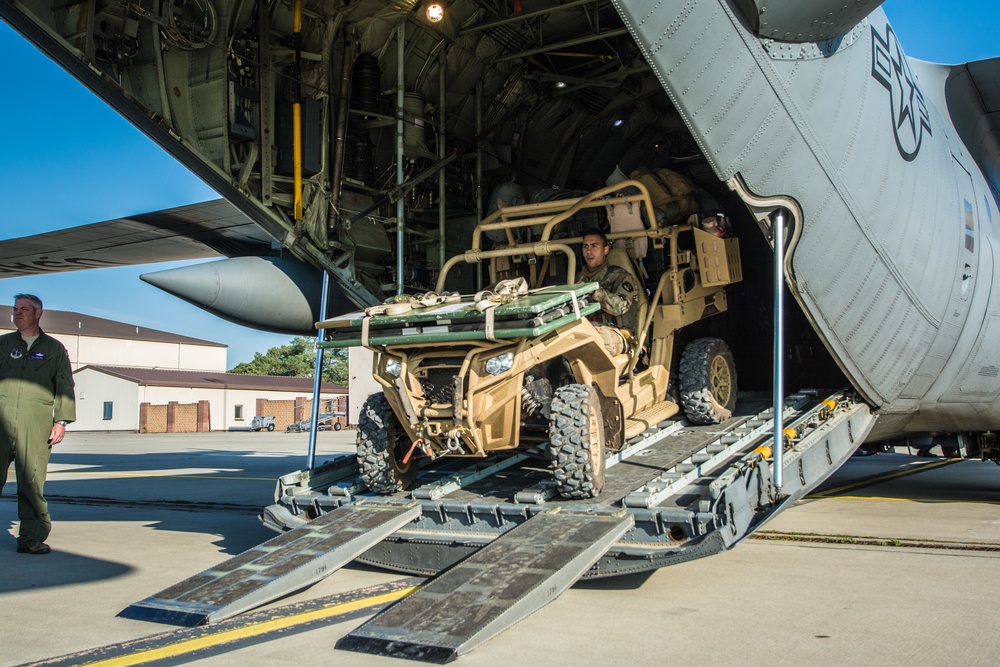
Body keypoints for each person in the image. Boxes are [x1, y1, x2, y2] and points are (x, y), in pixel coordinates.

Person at [0, 294, 76, 555]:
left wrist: (61, 421)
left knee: (31, 482)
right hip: (1, 420)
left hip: (36, 423)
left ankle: (31, 537)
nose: (17, 313)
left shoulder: (54, 349)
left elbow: (65, 385)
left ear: (38, 313)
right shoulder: (3, 344)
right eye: (15, 309)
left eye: (23, 309)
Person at [577, 229, 640, 355]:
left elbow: (620, 307)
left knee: (596, 342)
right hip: (586, 330)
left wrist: (594, 292)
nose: (589, 251)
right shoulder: (579, 279)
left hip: (619, 333)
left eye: (594, 246)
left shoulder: (621, 276)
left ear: (605, 250)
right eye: (585, 247)